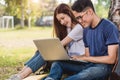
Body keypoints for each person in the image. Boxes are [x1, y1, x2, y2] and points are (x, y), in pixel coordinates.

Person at [44, 0, 119, 80]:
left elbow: (111, 59)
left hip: (104, 67)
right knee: (58, 63)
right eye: (77, 18)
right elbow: (87, 55)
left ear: (90, 12)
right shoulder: (86, 30)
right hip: (89, 64)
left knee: (81, 76)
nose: (79, 21)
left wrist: (85, 58)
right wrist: (77, 58)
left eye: (80, 17)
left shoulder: (109, 27)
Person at [7, 3, 85, 80]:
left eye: (63, 18)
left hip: (78, 62)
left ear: (69, 13)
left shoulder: (78, 28)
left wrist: (47, 48)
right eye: (59, 20)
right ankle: (20, 73)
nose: (62, 22)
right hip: (70, 59)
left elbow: (60, 44)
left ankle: (22, 76)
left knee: (47, 51)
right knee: (41, 51)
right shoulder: (68, 28)